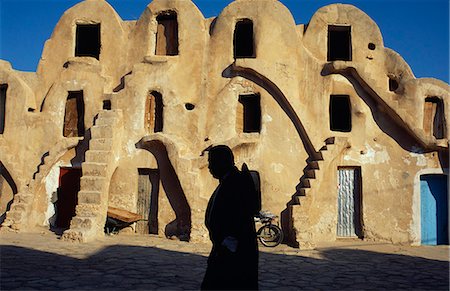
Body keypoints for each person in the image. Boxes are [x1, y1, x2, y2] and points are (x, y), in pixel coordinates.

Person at [201, 145, 259, 290]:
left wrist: (227, 245)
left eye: (212, 162)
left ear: (222, 162)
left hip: (232, 256)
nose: (209, 167)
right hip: (224, 251)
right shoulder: (229, 181)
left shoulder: (236, 183)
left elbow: (239, 219)